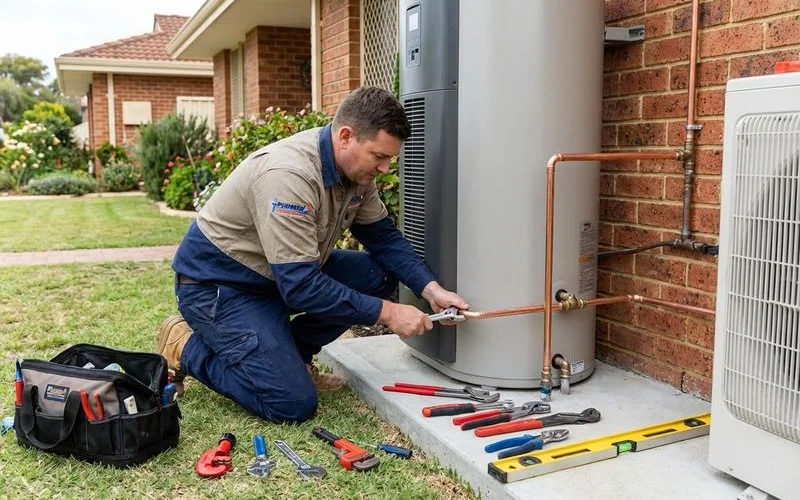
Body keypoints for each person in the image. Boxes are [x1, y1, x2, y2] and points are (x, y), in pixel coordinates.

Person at [157, 86, 469, 423]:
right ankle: (185, 346)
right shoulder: (288, 177)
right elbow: (301, 287)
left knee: (374, 275)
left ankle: (295, 357)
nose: (384, 168)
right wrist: (389, 313)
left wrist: (429, 287)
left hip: (277, 276)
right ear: (346, 136)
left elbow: (382, 237)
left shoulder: (356, 172)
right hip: (220, 286)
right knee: (291, 404)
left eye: (390, 158)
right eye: (379, 156)